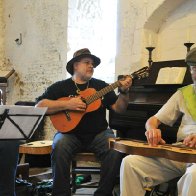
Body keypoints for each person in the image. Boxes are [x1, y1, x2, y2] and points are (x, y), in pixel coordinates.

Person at [36, 48, 132, 196]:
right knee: (59, 145)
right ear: (75, 65)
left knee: (115, 148)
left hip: (99, 134)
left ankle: (103, 193)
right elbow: (39, 106)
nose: (91, 66)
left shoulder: (102, 86)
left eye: (92, 64)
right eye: (87, 62)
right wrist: (67, 105)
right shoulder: (61, 87)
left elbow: (119, 109)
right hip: (69, 134)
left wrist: (124, 92)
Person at [120, 47, 196, 196]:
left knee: (193, 175)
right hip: (182, 152)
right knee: (130, 163)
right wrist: (152, 129)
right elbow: (153, 120)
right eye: (193, 68)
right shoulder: (184, 93)